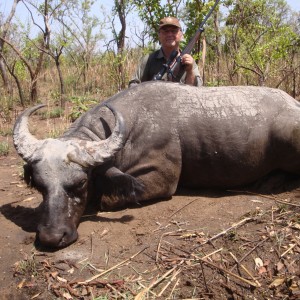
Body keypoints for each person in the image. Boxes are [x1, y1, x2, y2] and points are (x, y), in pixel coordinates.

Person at [129, 16, 202, 87]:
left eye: (173, 31)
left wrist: (190, 71)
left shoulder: (189, 61)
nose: (169, 34)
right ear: (159, 35)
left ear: (181, 34)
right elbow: (133, 85)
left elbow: (195, 91)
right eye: (165, 31)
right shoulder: (149, 59)